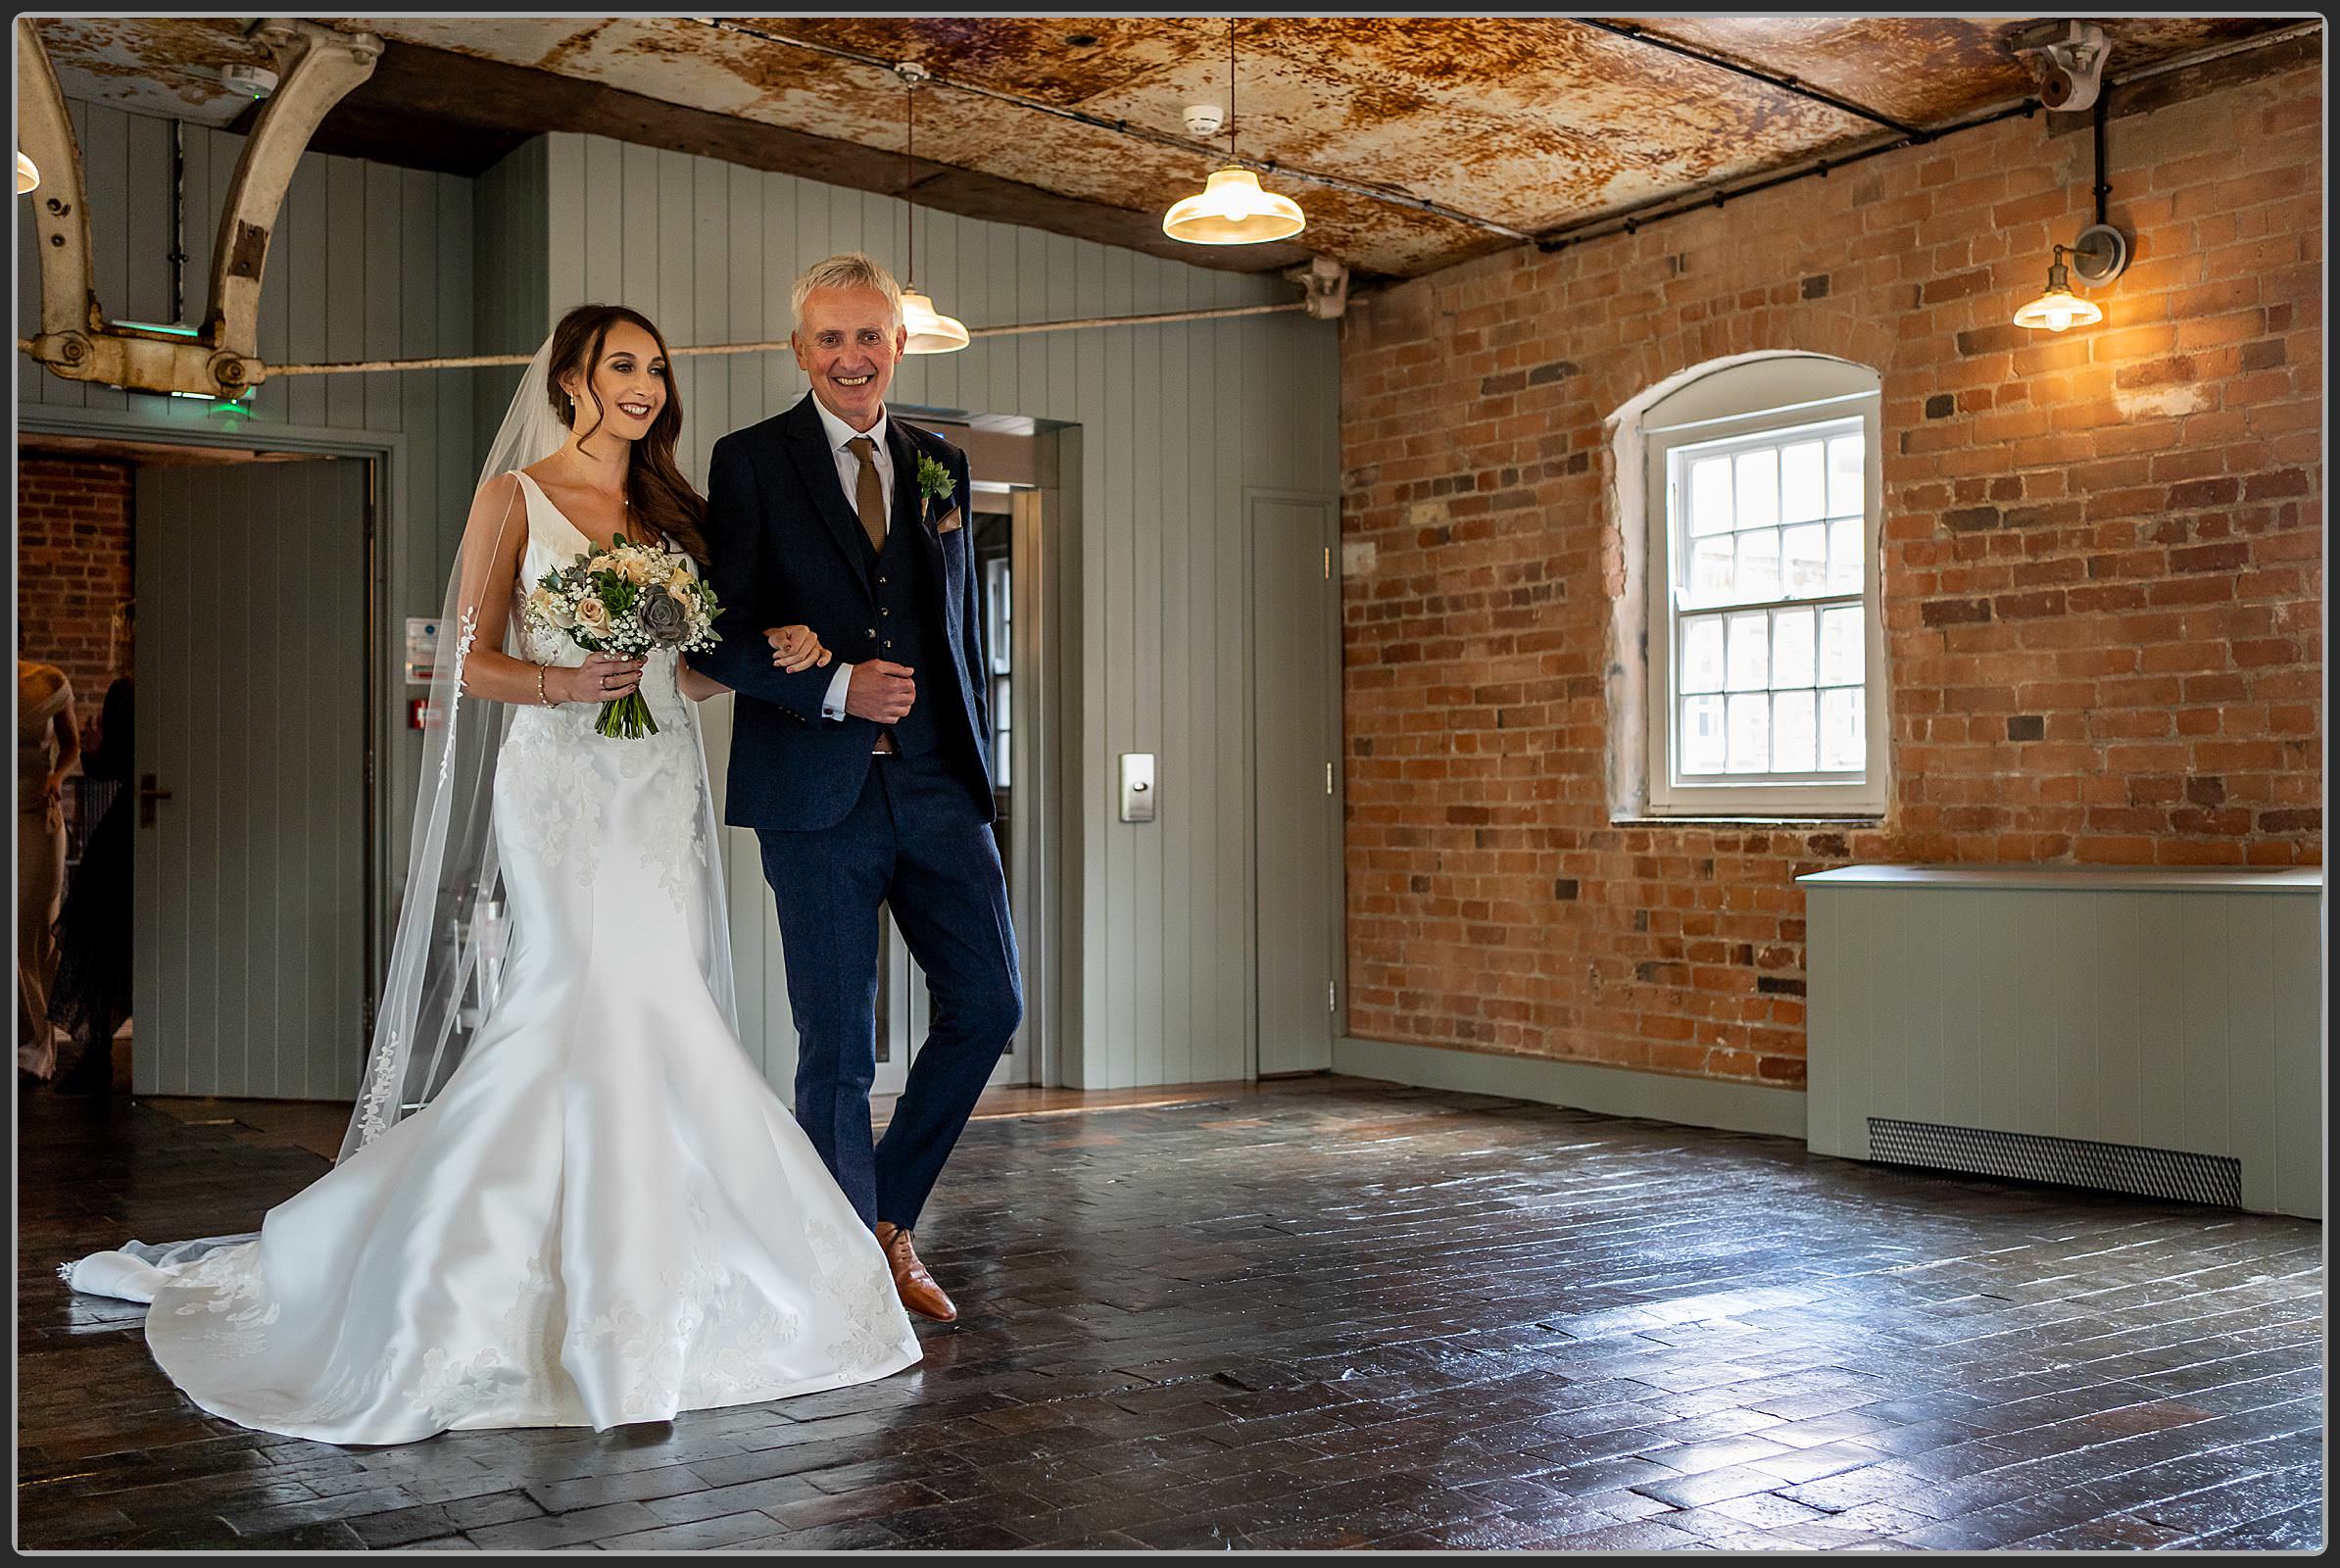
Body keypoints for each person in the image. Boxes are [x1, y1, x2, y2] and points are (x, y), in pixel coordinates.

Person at [59, 304, 923, 1445]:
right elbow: (468, 661)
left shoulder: (677, 512)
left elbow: (695, 671)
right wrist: (567, 684)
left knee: (660, 1007)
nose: (646, 386)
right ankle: (497, 1286)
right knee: (573, 1002)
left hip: (657, 783)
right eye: (623, 366)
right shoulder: (513, 497)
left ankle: (668, 1283)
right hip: (562, 788)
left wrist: (782, 650)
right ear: (571, 379)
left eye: (656, 369)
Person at [695, 254, 1022, 1325]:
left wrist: (971, 758)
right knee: (837, 1045)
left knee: (990, 1003)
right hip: (815, 792)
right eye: (830, 339)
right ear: (801, 352)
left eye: (869, 337)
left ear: (898, 343)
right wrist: (835, 683)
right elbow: (718, 636)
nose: (850, 356)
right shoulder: (751, 462)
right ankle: (848, 1286)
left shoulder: (940, 465)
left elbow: (957, 626)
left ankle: (881, 1220)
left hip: (938, 785)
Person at [48, 667, 133, 1094]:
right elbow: (108, 767)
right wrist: (96, 750)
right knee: (102, 940)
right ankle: (97, 1052)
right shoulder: (125, 691)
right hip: (125, 831)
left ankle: (101, 1054)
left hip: (136, 830)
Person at [18, 659, 79, 1081]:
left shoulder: (48, 682)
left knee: (33, 930)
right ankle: (32, 1033)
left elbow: (72, 745)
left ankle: (43, 1045)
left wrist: (57, 775)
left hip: (38, 817)